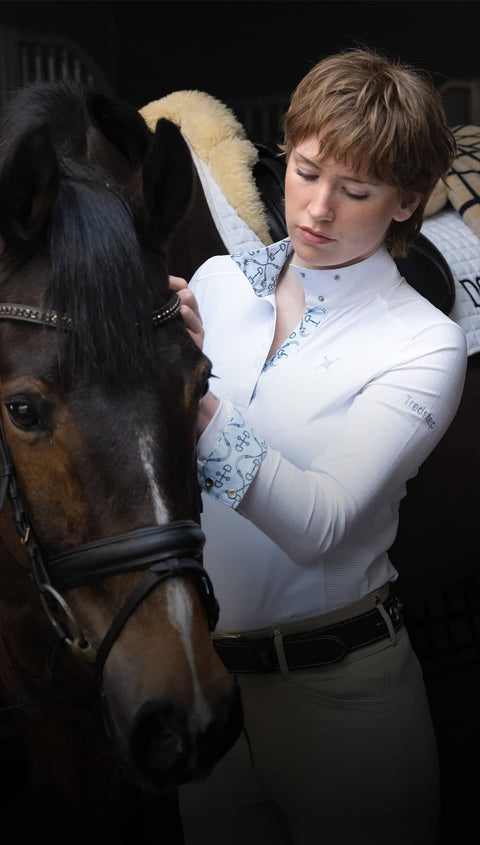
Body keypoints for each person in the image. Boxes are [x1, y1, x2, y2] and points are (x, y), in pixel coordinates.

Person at [171, 47, 467, 845]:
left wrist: (189, 391)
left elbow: (321, 523)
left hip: (343, 697)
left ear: (406, 202)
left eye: (357, 190)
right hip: (213, 691)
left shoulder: (423, 345)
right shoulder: (215, 286)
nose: (316, 210)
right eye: (304, 172)